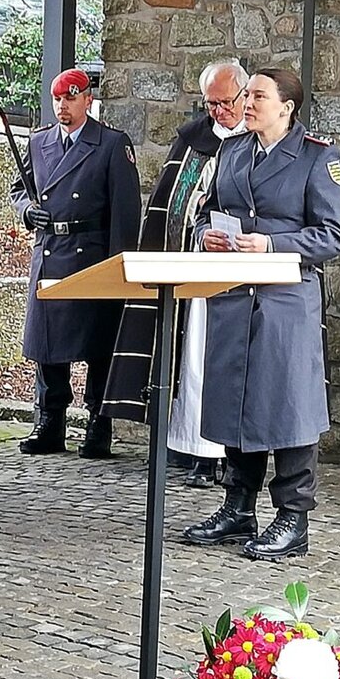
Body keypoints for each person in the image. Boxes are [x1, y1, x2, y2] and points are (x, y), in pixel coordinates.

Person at [182, 68, 340, 561]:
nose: (247, 102)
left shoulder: (318, 158)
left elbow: (332, 236)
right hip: (233, 295)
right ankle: (238, 506)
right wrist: (206, 237)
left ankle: (293, 518)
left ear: (286, 107)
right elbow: (206, 211)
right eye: (247, 94)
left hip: (285, 301)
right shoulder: (232, 151)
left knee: (288, 406)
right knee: (237, 400)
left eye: (258, 95)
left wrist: (273, 244)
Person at [103, 60, 250, 487]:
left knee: (232, 363)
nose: (218, 111)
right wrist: (198, 234)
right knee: (194, 360)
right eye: (211, 103)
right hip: (198, 275)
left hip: (245, 276)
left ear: (244, 95)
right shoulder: (193, 141)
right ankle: (194, 450)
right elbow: (171, 209)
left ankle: (234, 455)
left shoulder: (260, 141)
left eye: (226, 102)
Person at [11, 68, 141, 458]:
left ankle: (98, 423)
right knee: (47, 343)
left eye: (71, 98)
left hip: (93, 251)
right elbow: (21, 187)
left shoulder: (111, 144)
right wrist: (26, 211)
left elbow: (125, 209)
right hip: (51, 249)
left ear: (88, 99)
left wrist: (120, 265)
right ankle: (50, 421)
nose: (63, 106)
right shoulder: (39, 142)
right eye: (58, 100)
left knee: (98, 342)